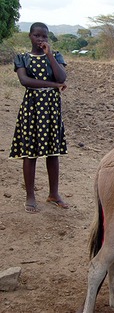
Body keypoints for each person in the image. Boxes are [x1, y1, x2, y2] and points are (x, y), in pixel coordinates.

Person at [9, 22, 68, 214]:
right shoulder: (22, 58)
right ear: (30, 36)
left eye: (44, 37)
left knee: (53, 152)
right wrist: (53, 85)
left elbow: (62, 76)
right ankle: (30, 197)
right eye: (37, 36)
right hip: (32, 108)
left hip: (51, 109)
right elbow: (25, 81)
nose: (41, 40)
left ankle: (54, 194)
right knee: (30, 152)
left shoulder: (56, 56)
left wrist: (49, 54)